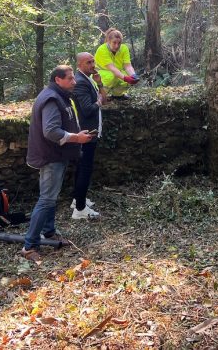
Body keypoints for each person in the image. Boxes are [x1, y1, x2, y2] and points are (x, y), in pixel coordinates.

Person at [22, 65, 96, 262]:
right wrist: (77, 138)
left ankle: (49, 232)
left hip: (56, 155)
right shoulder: (52, 99)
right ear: (58, 80)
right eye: (70, 78)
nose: (74, 82)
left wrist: (77, 134)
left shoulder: (59, 95)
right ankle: (29, 246)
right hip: (51, 157)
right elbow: (51, 131)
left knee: (50, 198)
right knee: (46, 199)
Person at [71, 52, 103, 220]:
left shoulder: (87, 79)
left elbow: (103, 97)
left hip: (89, 132)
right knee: (85, 169)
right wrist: (98, 102)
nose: (92, 65)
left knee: (82, 168)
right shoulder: (81, 82)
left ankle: (77, 200)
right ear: (79, 65)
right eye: (88, 62)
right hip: (86, 134)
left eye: (93, 61)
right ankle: (80, 209)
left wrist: (99, 83)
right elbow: (88, 109)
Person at [94, 27, 138, 98]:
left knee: (127, 76)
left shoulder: (124, 48)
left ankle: (118, 95)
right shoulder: (102, 49)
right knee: (111, 76)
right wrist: (126, 78)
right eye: (114, 42)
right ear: (108, 41)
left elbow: (128, 66)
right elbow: (112, 68)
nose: (117, 46)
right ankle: (100, 96)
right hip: (100, 74)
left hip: (116, 72)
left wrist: (133, 75)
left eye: (119, 43)